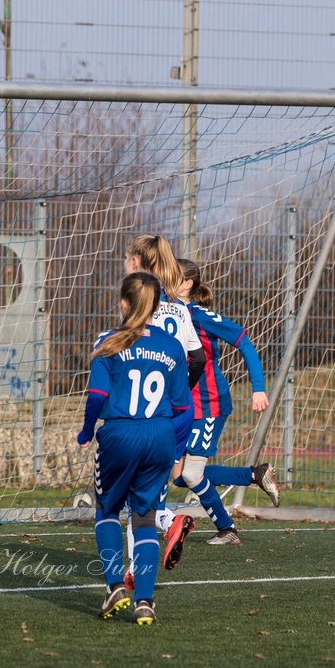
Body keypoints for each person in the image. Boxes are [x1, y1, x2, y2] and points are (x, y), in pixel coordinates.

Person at [78, 271, 193, 625]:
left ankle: (115, 585)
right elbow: (183, 408)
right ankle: (145, 601)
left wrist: (86, 432)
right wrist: (174, 449)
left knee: (107, 510)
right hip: (159, 435)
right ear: (157, 306)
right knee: (143, 518)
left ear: (124, 303)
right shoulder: (172, 347)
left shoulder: (109, 343)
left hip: (120, 435)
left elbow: (97, 396)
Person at [170, 258, 282, 544]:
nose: (163, 281)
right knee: (179, 475)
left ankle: (227, 529)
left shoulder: (199, 315)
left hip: (209, 403)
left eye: (170, 276)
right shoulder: (165, 312)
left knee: (192, 475)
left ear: (187, 284)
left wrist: (258, 388)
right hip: (181, 405)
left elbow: (244, 341)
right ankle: (254, 475)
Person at [122, 234, 206, 571]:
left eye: (128, 259)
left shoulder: (144, 307)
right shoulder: (179, 308)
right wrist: (180, 391)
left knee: (135, 497)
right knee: (152, 489)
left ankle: (140, 562)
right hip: (179, 410)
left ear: (139, 264)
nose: (125, 264)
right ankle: (162, 529)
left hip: (149, 411)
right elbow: (197, 359)